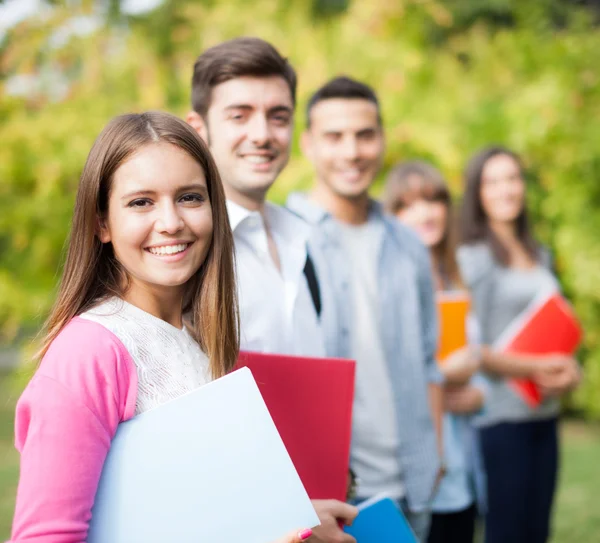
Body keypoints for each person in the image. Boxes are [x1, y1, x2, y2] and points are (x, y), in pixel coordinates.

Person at [8, 111, 313, 543]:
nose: (171, 222)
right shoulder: (89, 351)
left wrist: (297, 518)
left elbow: (201, 513)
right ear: (102, 223)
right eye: (141, 202)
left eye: (190, 197)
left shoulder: (201, 338)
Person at [186, 38, 357, 542]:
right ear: (199, 129)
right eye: (239, 115)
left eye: (277, 116)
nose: (262, 134)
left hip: (324, 512)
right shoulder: (183, 255)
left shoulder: (306, 239)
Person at [287, 76, 444, 542]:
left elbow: (428, 360)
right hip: (331, 496)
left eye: (364, 134)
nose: (352, 151)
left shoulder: (409, 243)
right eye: (335, 137)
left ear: (382, 140)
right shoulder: (283, 239)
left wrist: (435, 456)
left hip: (414, 485)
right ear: (309, 145)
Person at [457, 146, 582, 543]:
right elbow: (471, 347)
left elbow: (552, 330)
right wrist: (536, 368)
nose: (505, 190)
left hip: (543, 416)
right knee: (508, 532)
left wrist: (568, 371)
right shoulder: (473, 257)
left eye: (512, 178)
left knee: (537, 530)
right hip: (501, 420)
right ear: (477, 193)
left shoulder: (538, 252)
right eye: (492, 182)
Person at [383, 160, 487, 543]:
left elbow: (479, 374)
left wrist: (479, 395)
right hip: (414, 471)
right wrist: (444, 375)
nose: (425, 213)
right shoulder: (388, 286)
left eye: (433, 200)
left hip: (462, 468)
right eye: (408, 205)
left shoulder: (456, 275)